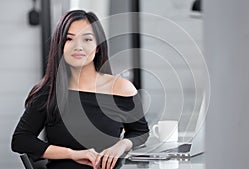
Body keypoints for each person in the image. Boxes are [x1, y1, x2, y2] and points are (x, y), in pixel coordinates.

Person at [11, 10, 149, 169]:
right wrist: (72, 153)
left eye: (87, 39)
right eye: (69, 39)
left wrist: (122, 145)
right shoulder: (48, 92)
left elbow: (140, 131)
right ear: (60, 46)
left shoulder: (121, 88)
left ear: (97, 47)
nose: (78, 46)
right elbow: (21, 140)